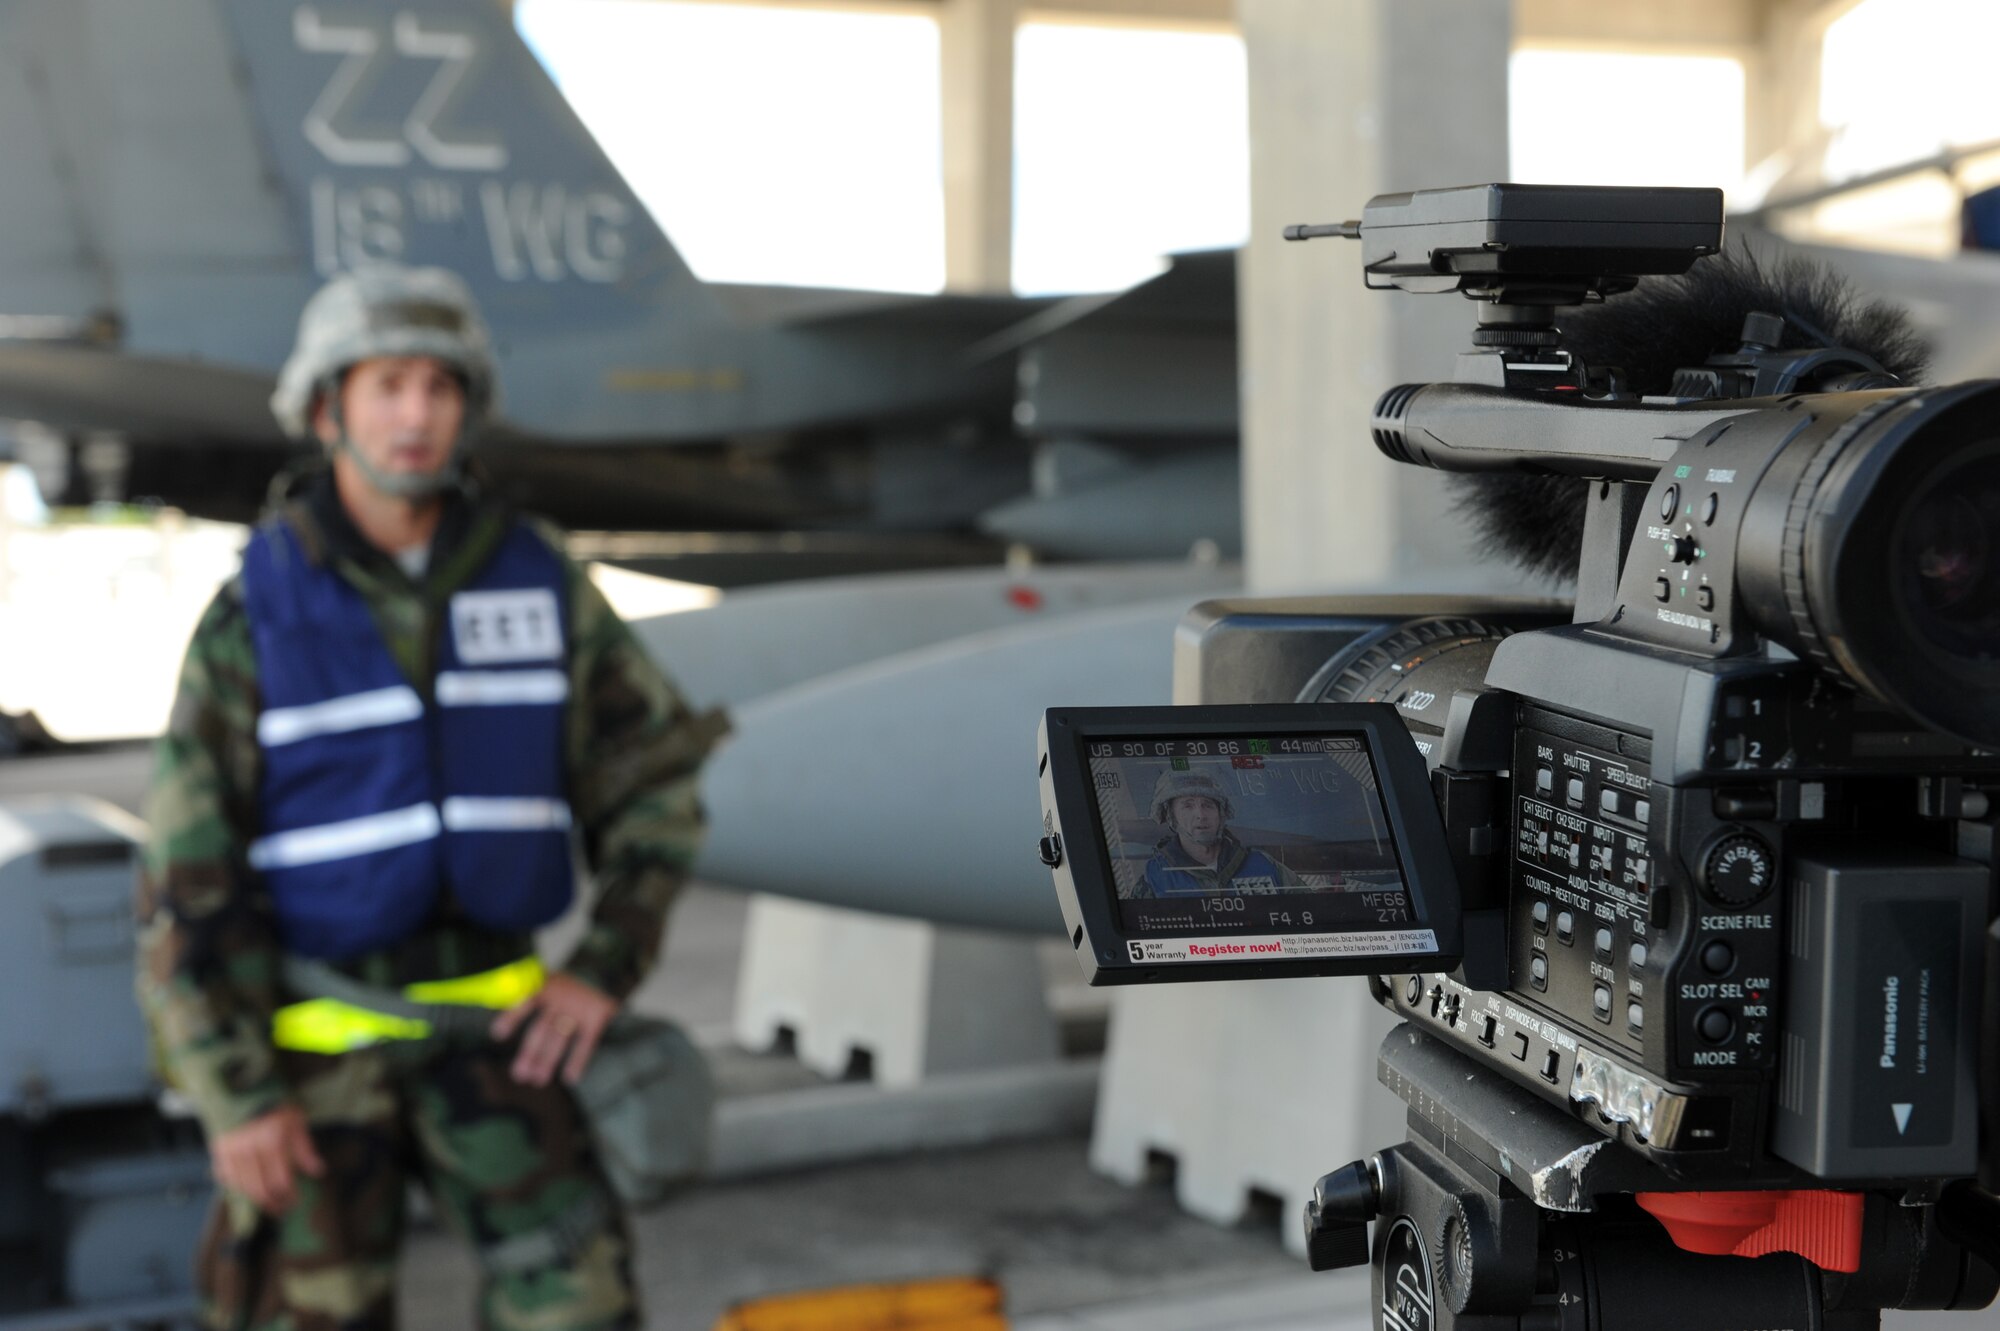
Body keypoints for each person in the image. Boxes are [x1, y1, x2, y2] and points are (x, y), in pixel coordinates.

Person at [135, 263, 725, 1331]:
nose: (417, 414)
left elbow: (654, 784)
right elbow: (182, 875)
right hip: (307, 1075)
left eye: (441, 387)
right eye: (388, 384)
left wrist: (602, 970)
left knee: (582, 1305)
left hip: (498, 1044)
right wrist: (234, 1092)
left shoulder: (537, 583)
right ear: (328, 410)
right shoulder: (256, 611)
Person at [1139, 769, 1300, 897]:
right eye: (1188, 806)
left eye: (1207, 805)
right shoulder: (1155, 878)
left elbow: (1311, 908)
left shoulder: (1263, 864)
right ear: (1171, 816)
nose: (1201, 815)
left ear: (1221, 814)